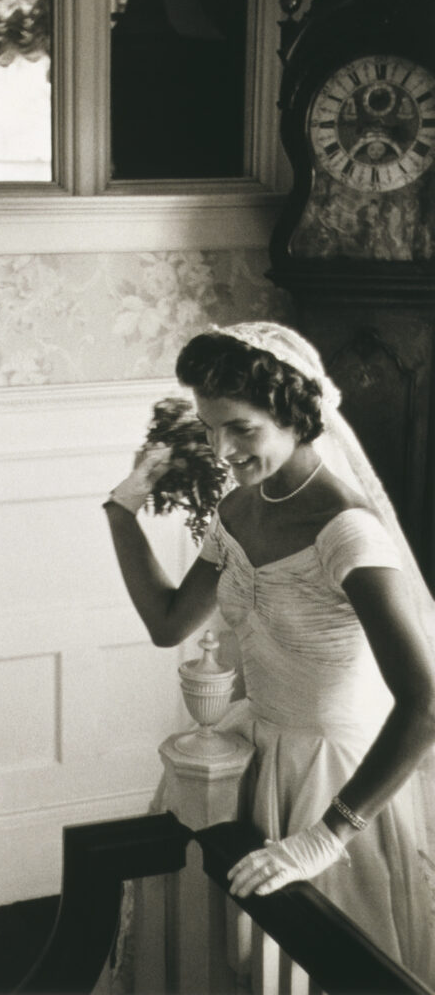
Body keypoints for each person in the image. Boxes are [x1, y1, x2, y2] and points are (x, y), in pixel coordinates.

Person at [103, 322, 435, 984]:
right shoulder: (238, 511)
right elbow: (168, 623)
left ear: (295, 414)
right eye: (210, 427)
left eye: (242, 429)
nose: (223, 449)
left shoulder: (345, 530)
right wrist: (123, 506)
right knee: (229, 962)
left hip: (335, 779)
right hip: (251, 756)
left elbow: (425, 706)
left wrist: (327, 835)